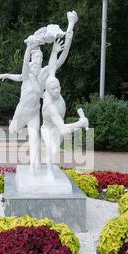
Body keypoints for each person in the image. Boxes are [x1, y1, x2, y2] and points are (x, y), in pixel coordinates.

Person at [0, 11, 79, 175]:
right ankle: (15, 127)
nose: (38, 63)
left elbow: (60, 60)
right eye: (36, 60)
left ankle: (35, 166)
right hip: (21, 112)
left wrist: (68, 29)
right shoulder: (26, 75)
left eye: (40, 60)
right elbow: (25, 63)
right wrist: (30, 46)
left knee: (35, 139)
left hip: (34, 113)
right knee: (13, 131)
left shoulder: (43, 76)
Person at [41, 39, 89, 179]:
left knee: (55, 151)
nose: (56, 90)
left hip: (58, 127)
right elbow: (63, 129)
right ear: (48, 91)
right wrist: (81, 123)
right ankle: (49, 173)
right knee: (53, 149)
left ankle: (49, 165)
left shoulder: (53, 82)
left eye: (57, 87)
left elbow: (51, 68)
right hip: (48, 128)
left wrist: (55, 51)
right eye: (53, 89)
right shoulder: (50, 106)